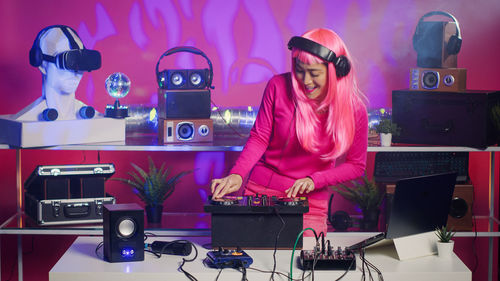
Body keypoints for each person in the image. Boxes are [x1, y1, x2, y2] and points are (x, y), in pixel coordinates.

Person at [211, 28, 368, 236]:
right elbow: (260, 137)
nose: (305, 80)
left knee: (302, 263)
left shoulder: (355, 110)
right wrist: (238, 174)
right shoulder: (277, 86)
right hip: (261, 189)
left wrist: (315, 180)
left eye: (314, 73)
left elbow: (356, 166)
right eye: (300, 70)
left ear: (336, 71)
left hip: (310, 199)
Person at [16, 25, 100, 121]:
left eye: (80, 63)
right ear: (43, 65)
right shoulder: (25, 120)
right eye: (68, 62)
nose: (75, 73)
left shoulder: (95, 118)